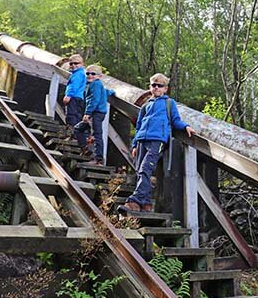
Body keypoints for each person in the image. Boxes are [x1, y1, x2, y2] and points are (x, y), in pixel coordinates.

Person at [119, 73, 196, 213]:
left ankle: (134, 200)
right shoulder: (145, 106)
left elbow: (175, 120)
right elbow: (139, 126)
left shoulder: (169, 103)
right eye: (153, 85)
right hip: (142, 140)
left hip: (157, 140)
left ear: (165, 89)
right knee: (139, 171)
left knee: (145, 169)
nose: (156, 88)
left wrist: (185, 126)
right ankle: (146, 203)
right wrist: (135, 144)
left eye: (159, 86)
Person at [80, 64, 114, 165]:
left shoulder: (95, 84)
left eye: (93, 74)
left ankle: (98, 158)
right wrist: (112, 92)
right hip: (100, 112)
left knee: (96, 134)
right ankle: (89, 152)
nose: (90, 75)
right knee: (92, 132)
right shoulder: (98, 85)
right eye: (88, 74)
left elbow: (94, 100)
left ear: (99, 76)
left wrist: (87, 113)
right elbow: (105, 92)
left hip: (96, 112)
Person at [62, 54, 87, 149]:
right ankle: (77, 137)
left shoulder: (77, 74)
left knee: (71, 116)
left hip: (74, 97)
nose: (73, 65)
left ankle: (74, 136)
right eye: (71, 64)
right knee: (77, 117)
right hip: (80, 98)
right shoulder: (83, 73)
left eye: (76, 63)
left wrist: (68, 95)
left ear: (82, 64)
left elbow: (73, 86)